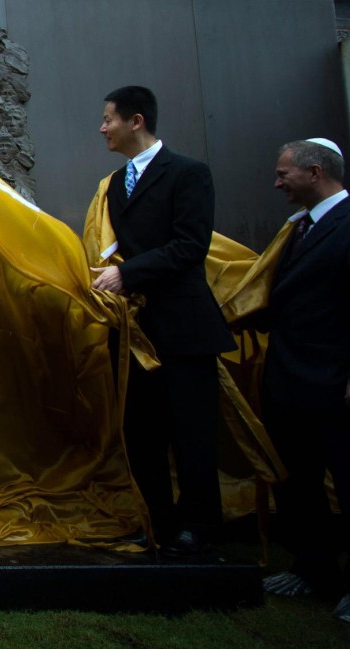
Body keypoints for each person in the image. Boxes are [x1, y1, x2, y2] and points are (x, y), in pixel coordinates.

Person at [90, 85, 235, 555]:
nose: (102, 127)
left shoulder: (189, 173)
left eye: (109, 118)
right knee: (142, 435)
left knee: (191, 435)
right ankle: (157, 523)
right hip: (135, 334)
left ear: (136, 121)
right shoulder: (111, 184)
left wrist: (127, 273)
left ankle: (200, 529)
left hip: (184, 330)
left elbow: (190, 246)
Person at [257, 138, 350, 623]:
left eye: (283, 174)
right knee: (298, 483)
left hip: (336, 382)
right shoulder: (298, 229)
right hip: (289, 379)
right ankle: (314, 568)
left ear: (314, 172)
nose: (277, 184)